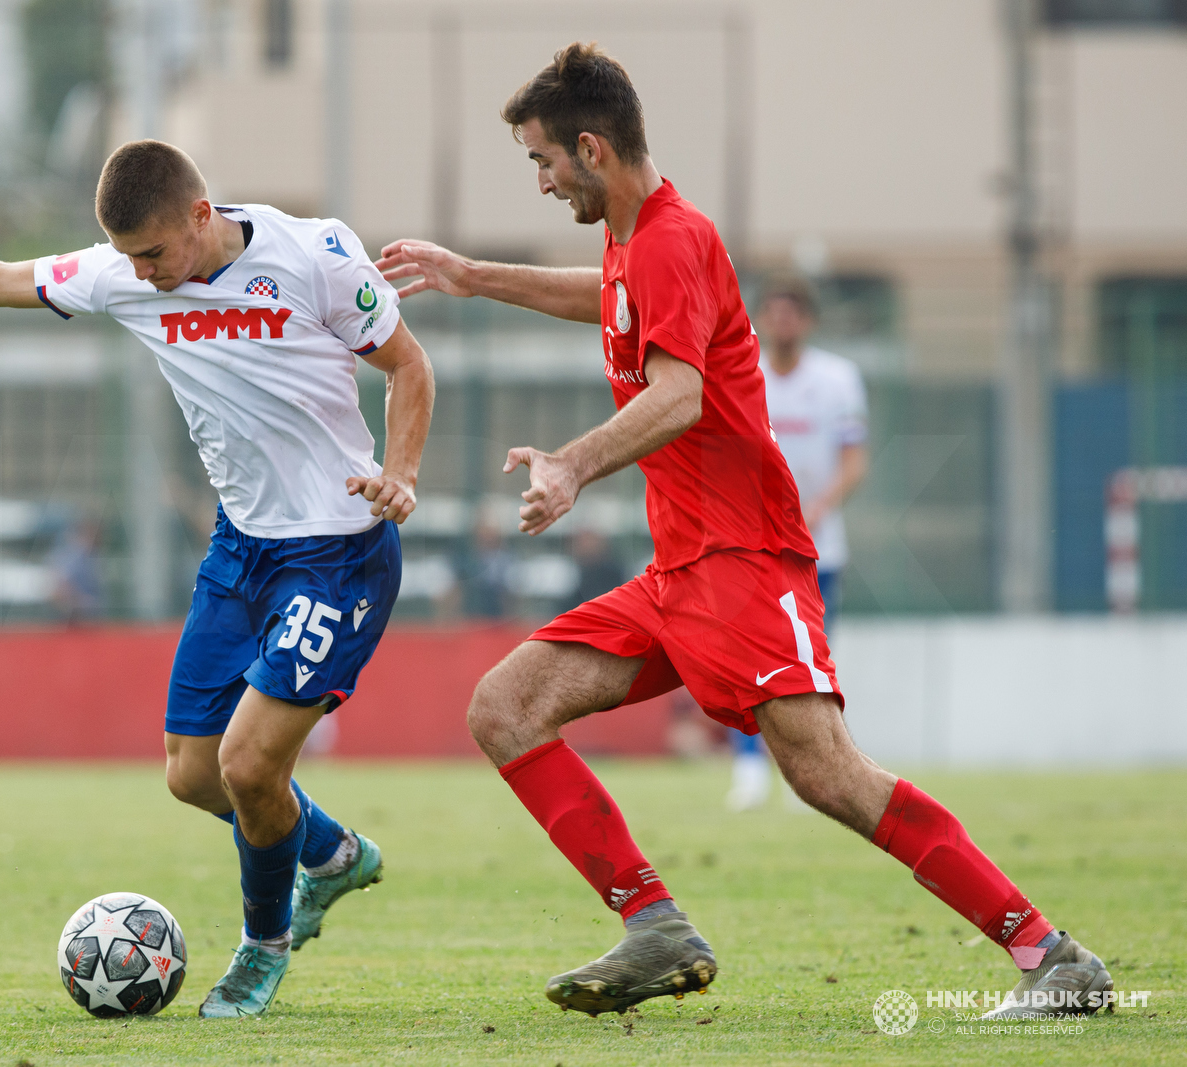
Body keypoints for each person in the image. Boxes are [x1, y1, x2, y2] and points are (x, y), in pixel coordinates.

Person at [376, 43, 1106, 1021]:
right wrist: (469, 275)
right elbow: (599, 300)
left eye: (542, 161)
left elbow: (679, 395)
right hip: (680, 571)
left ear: (591, 147)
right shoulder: (634, 244)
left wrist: (572, 463)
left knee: (830, 777)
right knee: (504, 707)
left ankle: (1052, 956)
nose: (543, 180)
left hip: (744, 563)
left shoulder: (674, 239)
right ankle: (655, 924)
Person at [0, 139, 435, 1018]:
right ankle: (327, 853)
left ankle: (263, 947)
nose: (142, 273)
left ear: (201, 216)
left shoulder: (315, 255)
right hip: (242, 548)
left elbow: (408, 365)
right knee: (193, 774)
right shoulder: (124, 275)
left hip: (339, 549)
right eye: (128, 257)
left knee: (247, 765)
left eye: (155, 253)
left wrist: (402, 473)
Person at [727, 275, 869, 811]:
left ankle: (811, 774)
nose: (783, 322)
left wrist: (813, 512)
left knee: (809, 663)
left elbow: (854, 461)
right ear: (761, 318)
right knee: (745, 656)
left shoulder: (838, 380)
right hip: (750, 545)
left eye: (793, 313)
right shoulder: (744, 372)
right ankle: (747, 767)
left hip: (816, 549)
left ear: (807, 321)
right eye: (774, 312)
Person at [48, 516, 105, 625]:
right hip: (74, 618)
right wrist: (79, 603)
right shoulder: (71, 557)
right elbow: (59, 589)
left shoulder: (92, 557)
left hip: (87, 617)